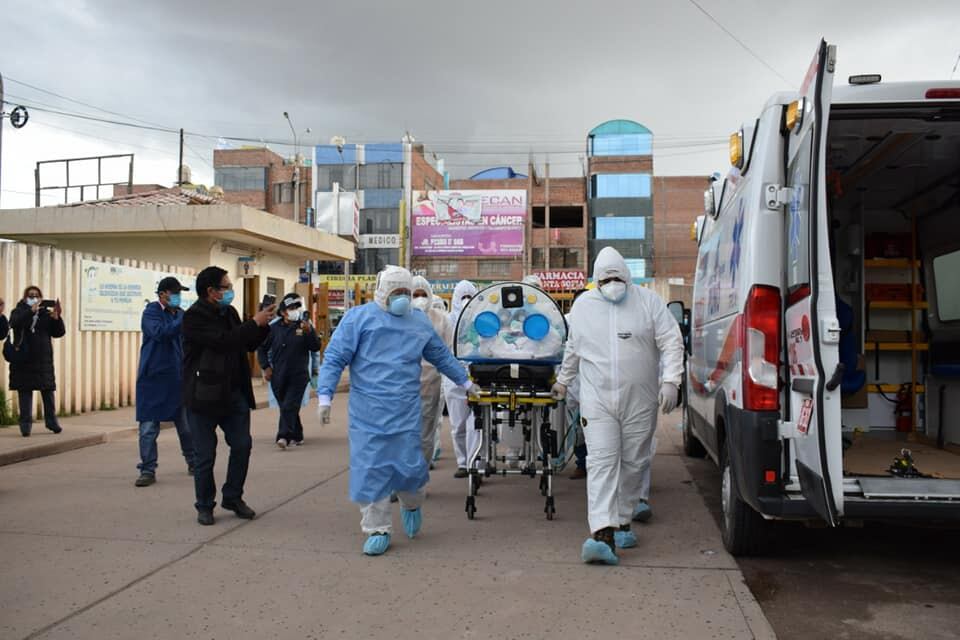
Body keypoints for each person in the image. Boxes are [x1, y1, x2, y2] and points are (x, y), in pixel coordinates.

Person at [316, 265, 478, 556]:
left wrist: (464, 381)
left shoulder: (418, 321)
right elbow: (335, 357)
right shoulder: (359, 319)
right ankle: (377, 527)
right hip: (367, 414)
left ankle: (412, 502)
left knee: (409, 469)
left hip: (405, 411)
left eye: (406, 291)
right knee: (371, 470)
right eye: (397, 292)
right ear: (382, 292)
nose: (403, 298)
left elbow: (440, 355)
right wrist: (325, 395)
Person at [553, 247, 683, 565]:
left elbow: (671, 339)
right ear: (596, 280)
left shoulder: (648, 302)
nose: (612, 282)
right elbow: (574, 348)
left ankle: (623, 518)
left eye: (617, 276)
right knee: (601, 462)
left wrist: (672, 381)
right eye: (606, 278)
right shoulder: (584, 306)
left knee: (635, 461)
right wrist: (563, 380)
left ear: (627, 275)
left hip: (640, 399)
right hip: (597, 401)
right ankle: (602, 533)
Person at [183, 266, 275, 526]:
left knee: (242, 444)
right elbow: (223, 341)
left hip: (233, 393)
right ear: (211, 291)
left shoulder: (230, 312)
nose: (230, 291)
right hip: (203, 396)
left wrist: (263, 326)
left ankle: (232, 496)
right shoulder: (194, 318)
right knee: (204, 455)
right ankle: (204, 505)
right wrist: (252, 323)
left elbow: (245, 343)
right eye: (226, 286)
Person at [134, 277, 196, 487]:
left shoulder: (180, 314)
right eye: (175, 293)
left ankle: (193, 461)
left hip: (177, 379)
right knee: (149, 428)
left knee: (186, 426)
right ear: (163, 294)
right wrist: (183, 321)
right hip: (153, 379)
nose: (179, 297)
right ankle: (148, 469)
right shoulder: (151, 312)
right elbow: (161, 333)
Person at [258, 293, 321, 449]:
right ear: (283, 311)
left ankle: (283, 436)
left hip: (298, 375)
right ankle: (297, 434)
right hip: (278, 375)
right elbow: (262, 349)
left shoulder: (304, 326)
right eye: (291, 308)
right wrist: (266, 367)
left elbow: (315, 347)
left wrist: (309, 332)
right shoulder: (273, 328)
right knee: (287, 406)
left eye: (297, 307)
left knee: (289, 405)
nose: (295, 311)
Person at [8, 286, 65, 437]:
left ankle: (51, 422)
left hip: (43, 360)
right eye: (30, 295)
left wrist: (57, 319)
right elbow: (14, 323)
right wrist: (30, 311)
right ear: (25, 297)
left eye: (36, 295)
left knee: (47, 392)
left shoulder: (45, 314)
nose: (33, 297)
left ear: (41, 298)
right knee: (25, 393)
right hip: (24, 359)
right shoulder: (18, 310)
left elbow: (58, 333)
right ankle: (25, 425)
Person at [411, 277, 453, 471]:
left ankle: (419, 476)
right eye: (415, 294)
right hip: (404, 382)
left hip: (432, 382)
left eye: (423, 294)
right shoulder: (400, 318)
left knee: (426, 431)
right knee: (404, 432)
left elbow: (449, 351)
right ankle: (402, 478)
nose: (419, 298)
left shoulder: (441, 318)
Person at [442, 279, 479, 478]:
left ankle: (476, 462)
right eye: (462, 296)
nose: (466, 300)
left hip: (477, 375)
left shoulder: (482, 318)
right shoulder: (447, 321)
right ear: (455, 298)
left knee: (477, 423)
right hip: (453, 376)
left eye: (469, 296)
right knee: (458, 425)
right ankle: (463, 463)